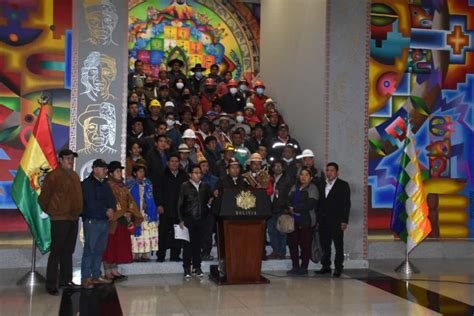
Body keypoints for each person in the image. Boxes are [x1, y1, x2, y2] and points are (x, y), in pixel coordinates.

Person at [38, 149, 83, 295]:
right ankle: (51, 284)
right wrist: (53, 211)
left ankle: (65, 280)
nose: (71, 160)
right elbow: (43, 198)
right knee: (56, 251)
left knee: (68, 251)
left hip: (73, 218)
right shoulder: (54, 176)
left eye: (72, 158)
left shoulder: (75, 176)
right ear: (60, 159)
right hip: (60, 219)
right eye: (68, 158)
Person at [103, 161, 143, 281]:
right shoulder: (107, 186)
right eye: (117, 171)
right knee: (109, 247)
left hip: (123, 221)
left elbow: (130, 201)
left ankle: (115, 270)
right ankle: (107, 271)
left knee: (118, 247)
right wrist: (121, 212)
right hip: (112, 221)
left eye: (121, 171)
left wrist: (130, 212)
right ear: (110, 173)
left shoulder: (123, 186)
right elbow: (111, 203)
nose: (120, 174)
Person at [81, 159, 116, 289]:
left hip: (103, 221)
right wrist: (105, 210)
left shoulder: (105, 183)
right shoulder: (87, 184)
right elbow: (91, 202)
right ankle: (86, 278)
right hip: (92, 220)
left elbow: (111, 199)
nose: (106, 172)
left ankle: (96, 275)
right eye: (103, 169)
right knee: (89, 250)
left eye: (106, 169)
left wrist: (112, 208)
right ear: (95, 169)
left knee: (99, 250)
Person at [316, 162, 351, 278]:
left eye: (332, 170)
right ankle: (325, 266)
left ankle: (338, 268)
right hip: (323, 221)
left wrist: (344, 220)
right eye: (327, 170)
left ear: (337, 172)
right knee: (325, 245)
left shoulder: (343, 185)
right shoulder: (321, 184)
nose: (329, 173)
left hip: (337, 220)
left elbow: (346, 204)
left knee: (338, 245)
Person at [177, 165, 212, 277]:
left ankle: (197, 267)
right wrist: (181, 219)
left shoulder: (205, 186)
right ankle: (186, 268)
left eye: (200, 173)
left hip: (201, 219)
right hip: (188, 219)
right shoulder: (185, 186)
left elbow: (209, 200)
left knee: (198, 245)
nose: (198, 175)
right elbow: (179, 204)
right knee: (187, 245)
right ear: (190, 174)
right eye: (196, 172)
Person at [286, 167, 319, 276]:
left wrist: (295, 209)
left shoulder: (313, 188)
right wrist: (290, 208)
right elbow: (288, 200)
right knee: (293, 244)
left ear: (310, 177)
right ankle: (295, 266)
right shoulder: (295, 187)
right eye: (302, 175)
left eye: (306, 175)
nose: (303, 177)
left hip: (307, 221)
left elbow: (310, 204)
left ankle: (304, 267)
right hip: (293, 221)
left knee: (305, 245)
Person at [156, 153, 188, 262]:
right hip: (165, 208)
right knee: (163, 233)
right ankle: (161, 255)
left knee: (178, 233)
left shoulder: (184, 175)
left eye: (176, 161)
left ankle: (175, 255)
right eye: (172, 161)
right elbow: (158, 191)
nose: (174, 163)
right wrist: (159, 204)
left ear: (179, 163)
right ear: (167, 162)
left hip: (179, 210)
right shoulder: (161, 175)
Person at [127, 164, 159, 262]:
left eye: (143, 172)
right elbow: (128, 198)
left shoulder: (147, 183)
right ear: (134, 173)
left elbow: (151, 196)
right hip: (135, 212)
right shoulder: (130, 184)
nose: (142, 174)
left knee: (146, 233)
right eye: (140, 171)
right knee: (136, 233)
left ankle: (145, 253)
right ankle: (135, 253)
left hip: (146, 213)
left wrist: (147, 203)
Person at [267, 160, 291, 260]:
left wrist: (287, 207)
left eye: (279, 166)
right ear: (272, 168)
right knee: (272, 231)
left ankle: (281, 252)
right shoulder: (269, 179)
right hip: (270, 209)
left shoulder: (287, 180)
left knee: (282, 231)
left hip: (282, 209)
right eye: (275, 166)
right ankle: (275, 250)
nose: (277, 168)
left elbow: (290, 195)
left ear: (283, 168)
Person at [198, 154, 218, 261]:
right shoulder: (196, 179)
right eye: (203, 166)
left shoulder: (214, 179)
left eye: (206, 165)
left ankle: (206, 252)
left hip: (210, 209)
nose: (205, 168)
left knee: (208, 232)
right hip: (198, 209)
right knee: (198, 232)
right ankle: (198, 252)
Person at [146, 134, 169, 204]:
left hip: (166, 185)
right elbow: (147, 171)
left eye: (165, 141)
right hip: (153, 185)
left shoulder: (168, 154)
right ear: (156, 143)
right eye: (161, 141)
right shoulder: (150, 154)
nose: (163, 143)